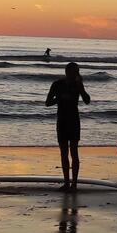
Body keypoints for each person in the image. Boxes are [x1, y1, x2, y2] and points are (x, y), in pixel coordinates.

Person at [46, 62, 91, 192]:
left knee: (74, 152)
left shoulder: (77, 85)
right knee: (64, 153)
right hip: (62, 121)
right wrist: (60, 98)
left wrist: (81, 88)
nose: (74, 74)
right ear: (67, 72)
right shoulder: (57, 84)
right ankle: (66, 182)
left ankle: (74, 184)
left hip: (74, 121)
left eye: (76, 72)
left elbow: (87, 101)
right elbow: (47, 102)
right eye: (73, 71)